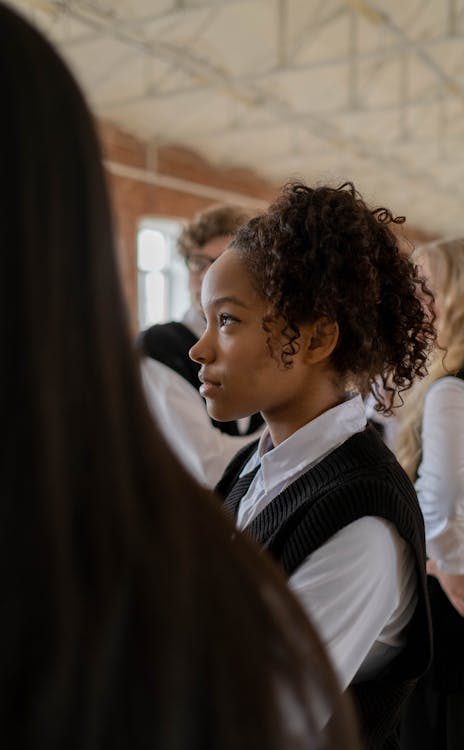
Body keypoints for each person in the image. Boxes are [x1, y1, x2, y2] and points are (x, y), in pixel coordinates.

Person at [0, 5, 362, 749]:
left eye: (237, 315)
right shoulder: (166, 368)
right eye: (218, 305)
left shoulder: (184, 591)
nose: (203, 348)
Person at [189, 181, 436, 749]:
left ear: (318, 337)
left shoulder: (362, 523)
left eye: (227, 321)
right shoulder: (258, 466)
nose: (199, 349)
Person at [395, 236, 464, 750]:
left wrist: (451, 563)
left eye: (426, 289)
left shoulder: (457, 391)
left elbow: (446, 496)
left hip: (461, 617)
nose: (415, 301)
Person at [139, 205, 263, 486]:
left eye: (220, 262)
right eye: (198, 263)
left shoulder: (255, 343)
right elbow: (209, 465)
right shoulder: (160, 348)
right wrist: (278, 440)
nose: (207, 276)